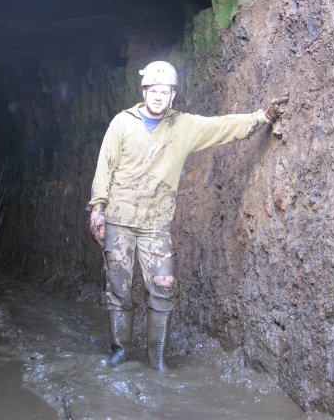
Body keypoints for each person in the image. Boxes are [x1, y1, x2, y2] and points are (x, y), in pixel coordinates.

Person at [87, 61, 285, 371]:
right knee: (119, 288)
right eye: (153, 90)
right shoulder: (122, 123)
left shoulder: (184, 126)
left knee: (163, 287)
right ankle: (120, 350)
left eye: (164, 91)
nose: (158, 96)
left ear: (173, 95)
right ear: (144, 91)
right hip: (119, 219)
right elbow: (105, 167)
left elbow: (222, 126)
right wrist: (97, 209)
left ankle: (158, 358)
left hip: (156, 224)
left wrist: (263, 117)